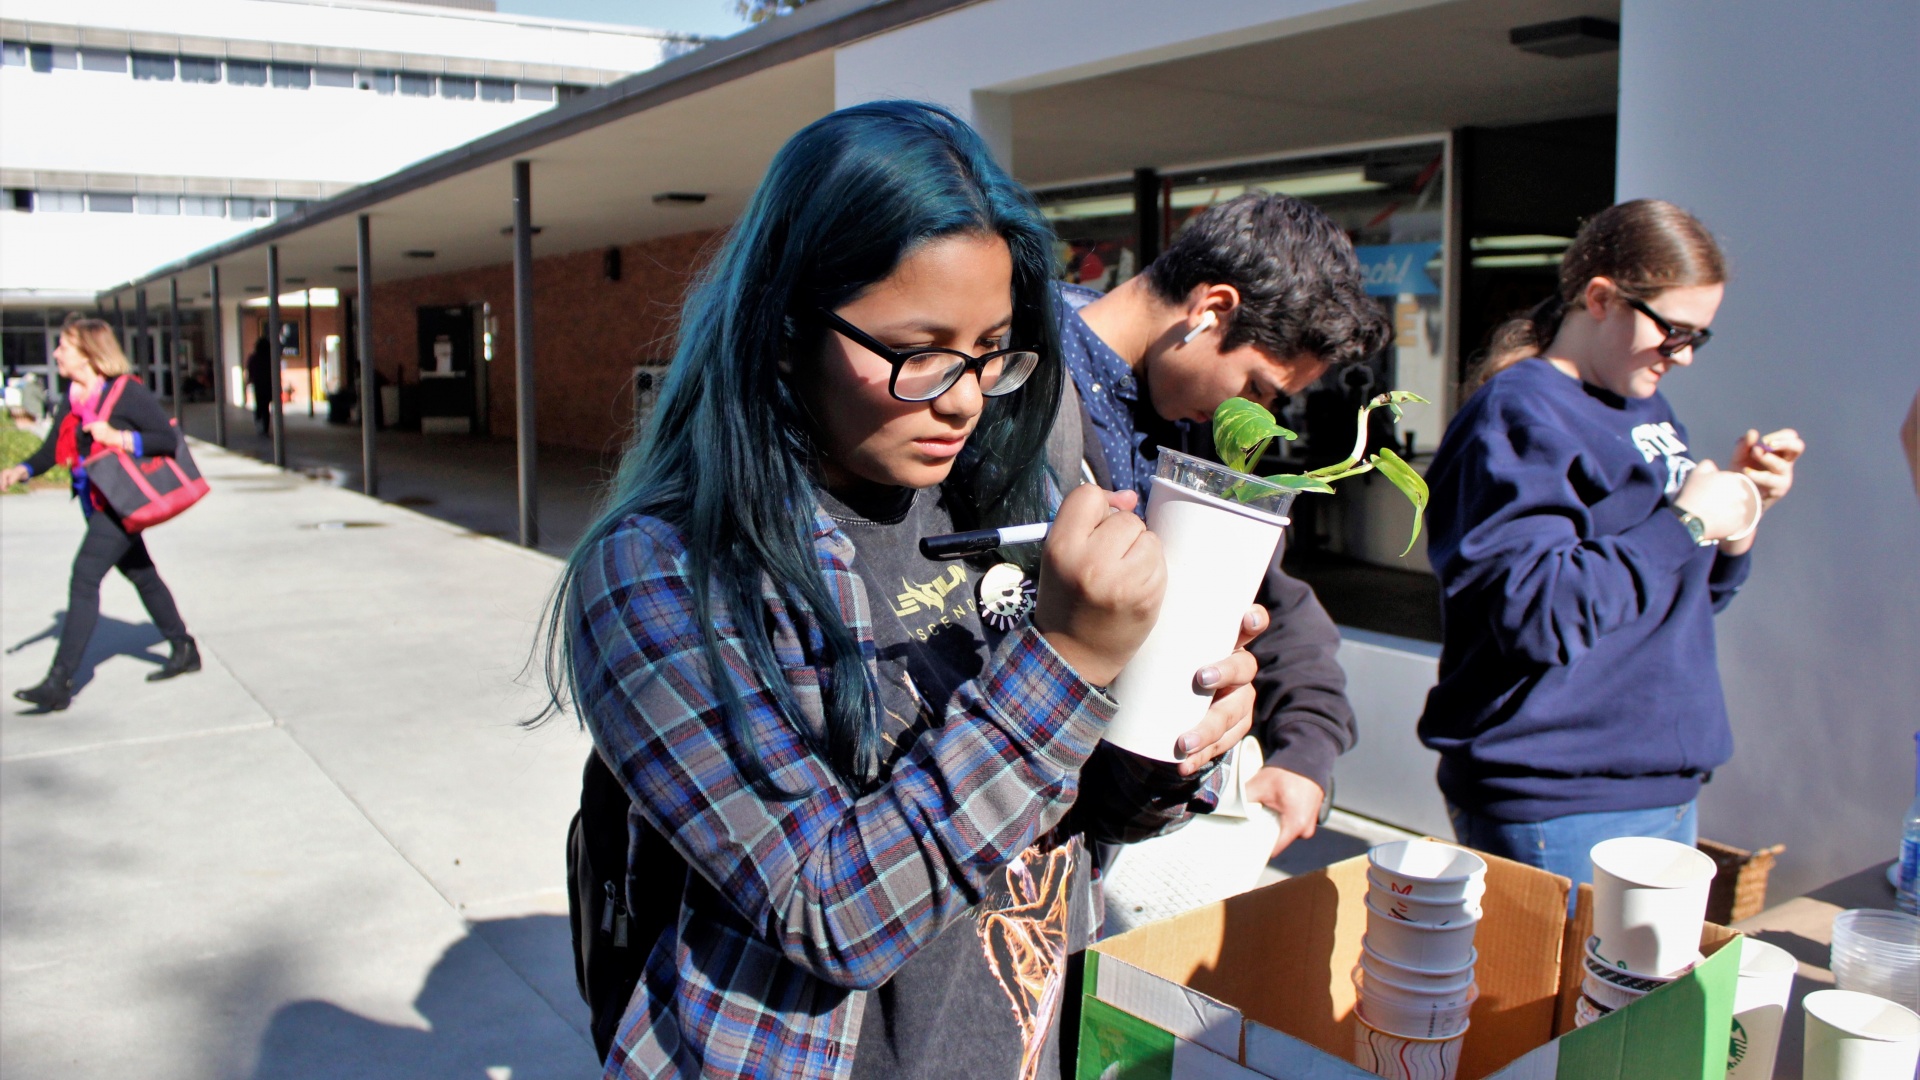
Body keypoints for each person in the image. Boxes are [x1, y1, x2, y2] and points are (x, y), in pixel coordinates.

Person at [544, 101, 1263, 1078]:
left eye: (992, 350)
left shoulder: (1006, 499)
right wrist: (1066, 661)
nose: (965, 397)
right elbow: (826, 908)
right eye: (920, 351)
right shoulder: (663, 572)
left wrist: (1169, 731)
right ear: (787, 327)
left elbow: (1071, 819)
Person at [1417, 199, 1804, 889]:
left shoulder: (1641, 403)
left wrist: (1738, 516)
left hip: (1654, 778)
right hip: (1559, 795)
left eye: (1699, 338)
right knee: (1572, 1000)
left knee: (1636, 998)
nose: (1682, 356)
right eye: (1674, 332)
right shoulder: (1518, 412)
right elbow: (1537, 613)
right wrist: (1683, 522)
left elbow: (1673, 600)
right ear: (1600, 298)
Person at [1047, 193, 1393, 855]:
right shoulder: (1013, 384)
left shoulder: (1196, 426)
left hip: (1105, 835)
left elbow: (1274, 597)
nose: (1260, 416)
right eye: (1259, 388)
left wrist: (1306, 745)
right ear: (1212, 310)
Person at [2, 318, 201, 712]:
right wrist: (19, 471)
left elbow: (166, 438)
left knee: (85, 576)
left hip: (120, 503)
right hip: (95, 502)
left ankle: (60, 682)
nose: (56, 352)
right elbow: (48, 454)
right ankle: (184, 647)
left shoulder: (127, 392)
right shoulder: (74, 397)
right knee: (142, 574)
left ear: (89, 352)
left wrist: (119, 437)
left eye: (63, 345)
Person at [247, 331, 272, 436]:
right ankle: (265, 426)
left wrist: (249, 380)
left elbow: (250, 370)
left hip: (258, 384)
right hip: (269, 384)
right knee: (266, 406)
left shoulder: (254, 358)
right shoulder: (270, 358)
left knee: (259, 404)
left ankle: (258, 417)